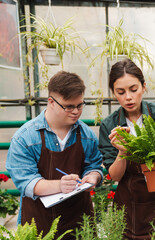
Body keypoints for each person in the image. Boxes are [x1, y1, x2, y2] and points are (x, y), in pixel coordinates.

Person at [6, 71, 103, 239]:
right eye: (69, 107)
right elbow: (26, 182)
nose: (76, 112)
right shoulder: (25, 138)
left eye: (80, 105)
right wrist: (60, 185)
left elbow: (94, 166)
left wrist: (93, 176)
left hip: (79, 221)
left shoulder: (87, 135)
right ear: (51, 102)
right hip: (38, 222)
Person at [99, 59, 155, 240]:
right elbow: (115, 176)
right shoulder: (109, 126)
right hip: (129, 204)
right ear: (114, 93)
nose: (128, 97)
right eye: (120, 92)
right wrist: (122, 152)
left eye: (133, 89)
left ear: (144, 87)